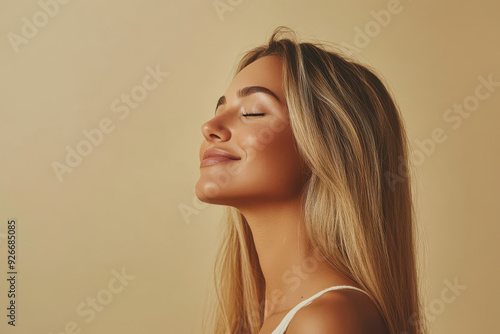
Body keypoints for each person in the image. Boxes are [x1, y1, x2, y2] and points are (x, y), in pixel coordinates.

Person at [195, 26, 427, 334]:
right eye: (219, 108)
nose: (210, 126)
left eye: (252, 112)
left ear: (328, 147)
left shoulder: (327, 321)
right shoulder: (274, 320)